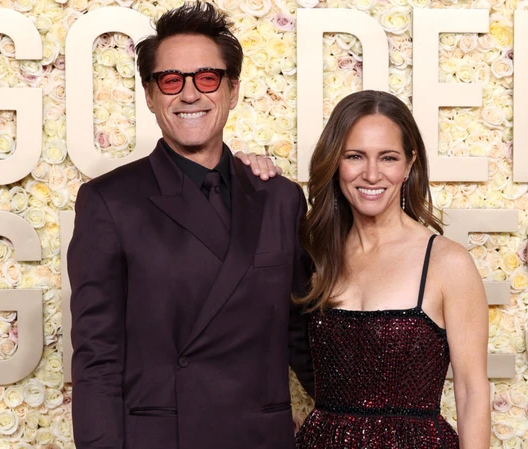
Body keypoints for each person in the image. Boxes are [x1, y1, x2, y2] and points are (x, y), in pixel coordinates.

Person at [68, 4, 313, 449]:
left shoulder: (281, 198)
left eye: (206, 78)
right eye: (170, 80)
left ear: (232, 89)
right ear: (150, 94)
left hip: (260, 437)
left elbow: (304, 337)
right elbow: (97, 358)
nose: (189, 95)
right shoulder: (109, 201)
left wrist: (380, 411)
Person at [294, 90, 490, 448]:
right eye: (355, 156)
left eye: (387, 157)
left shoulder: (448, 263)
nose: (371, 174)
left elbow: (472, 389)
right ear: (335, 162)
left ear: (409, 164)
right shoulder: (315, 255)